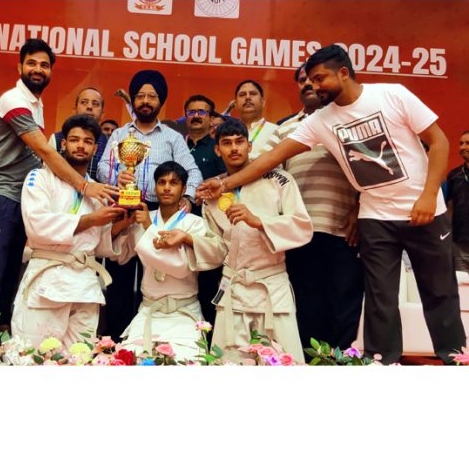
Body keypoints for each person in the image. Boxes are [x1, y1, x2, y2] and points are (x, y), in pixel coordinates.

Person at [198, 44, 466, 364]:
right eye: (309, 80)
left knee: (439, 291)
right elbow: (272, 156)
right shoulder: (321, 120)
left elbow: (439, 141)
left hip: (424, 209)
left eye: (320, 78)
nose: (313, 86)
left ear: (343, 72)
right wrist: (224, 183)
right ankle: (384, 360)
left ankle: (455, 359)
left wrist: (427, 195)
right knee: (380, 296)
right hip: (375, 214)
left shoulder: (392, 95)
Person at [0, 39, 117, 333]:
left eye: (44, 65)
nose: (38, 69)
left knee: (9, 275)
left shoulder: (37, 105)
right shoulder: (14, 99)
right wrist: (85, 187)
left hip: (16, 196)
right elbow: (46, 152)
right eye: (32, 63)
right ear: (19, 66)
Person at [259, 64, 364, 352]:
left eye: (314, 80)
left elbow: (369, 170)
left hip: (343, 229)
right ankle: (307, 363)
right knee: (306, 303)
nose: (307, 84)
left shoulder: (349, 122)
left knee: (343, 303)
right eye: (302, 80)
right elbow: (264, 173)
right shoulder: (284, 130)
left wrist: (359, 212)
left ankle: (340, 364)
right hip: (299, 233)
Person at [97, 70, 202, 340]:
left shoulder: (172, 137)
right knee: (118, 279)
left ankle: (147, 339)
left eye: (152, 96)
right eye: (140, 96)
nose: (145, 101)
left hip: (157, 216)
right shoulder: (120, 134)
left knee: (154, 275)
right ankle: (117, 341)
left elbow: (192, 171)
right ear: (132, 101)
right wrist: (114, 176)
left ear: (160, 102)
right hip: (122, 211)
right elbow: (100, 170)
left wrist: (187, 198)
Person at [203, 119, 312, 363]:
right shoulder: (213, 192)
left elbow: (303, 228)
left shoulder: (279, 179)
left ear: (250, 146)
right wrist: (189, 241)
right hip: (233, 288)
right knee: (227, 364)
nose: (234, 148)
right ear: (217, 150)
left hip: (271, 289)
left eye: (240, 142)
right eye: (227, 143)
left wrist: (259, 221)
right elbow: (216, 246)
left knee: (284, 362)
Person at [11, 115, 125, 349]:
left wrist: (122, 222)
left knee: (79, 359)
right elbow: (37, 226)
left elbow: (99, 244)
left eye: (87, 141)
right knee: (33, 356)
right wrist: (92, 219)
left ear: (95, 148)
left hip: (85, 284)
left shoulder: (98, 191)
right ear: (63, 144)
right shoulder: (39, 178)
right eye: (74, 140)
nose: (80, 145)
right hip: (48, 278)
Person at [112, 162, 225, 360]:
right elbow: (120, 256)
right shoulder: (142, 217)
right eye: (161, 182)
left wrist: (148, 226)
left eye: (174, 183)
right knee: (131, 362)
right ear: (154, 187)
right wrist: (121, 225)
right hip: (148, 310)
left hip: (184, 312)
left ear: (183, 188)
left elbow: (180, 267)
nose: (166, 187)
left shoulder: (194, 223)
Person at [184, 94, 226, 327]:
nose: (197, 116)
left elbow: (229, 176)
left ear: (211, 118)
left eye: (202, 112)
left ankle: (209, 339)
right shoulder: (178, 144)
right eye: (192, 112)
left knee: (208, 285)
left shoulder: (217, 147)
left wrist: (208, 185)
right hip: (180, 225)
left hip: (209, 227)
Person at [48, 86, 108, 180]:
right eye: (84, 102)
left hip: (95, 194)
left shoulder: (109, 142)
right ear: (74, 110)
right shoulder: (56, 138)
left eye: (95, 104)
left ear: (103, 114)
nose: (89, 107)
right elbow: (48, 172)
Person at [232, 79, 278, 157]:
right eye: (242, 94)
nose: (247, 97)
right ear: (235, 104)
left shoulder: (277, 131)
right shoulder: (226, 133)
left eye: (253, 93)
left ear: (263, 102)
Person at [446, 130, 469, 271]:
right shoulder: (454, 175)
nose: (462, 147)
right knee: (462, 287)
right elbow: (449, 206)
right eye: (461, 143)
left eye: (467, 143)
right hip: (460, 243)